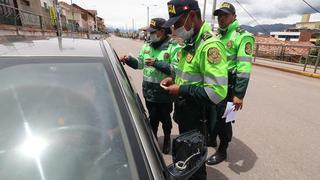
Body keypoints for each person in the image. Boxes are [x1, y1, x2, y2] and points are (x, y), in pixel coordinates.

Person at [161, 0, 228, 179]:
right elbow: (188, 74)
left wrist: (181, 90)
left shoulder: (209, 46)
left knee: (196, 165)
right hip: (186, 115)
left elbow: (217, 92)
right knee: (188, 159)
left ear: (191, 16)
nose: (175, 28)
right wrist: (173, 79)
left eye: (177, 23)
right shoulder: (191, 41)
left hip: (199, 119)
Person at [119, 18, 181, 154]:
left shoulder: (173, 47)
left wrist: (156, 63)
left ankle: (166, 140)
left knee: (165, 119)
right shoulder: (147, 45)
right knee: (152, 118)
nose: (150, 34)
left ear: (162, 31)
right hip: (149, 92)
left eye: (153, 32)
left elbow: (176, 70)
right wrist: (129, 60)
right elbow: (140, 64)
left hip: (165, 93)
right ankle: (152, 141)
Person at [206, 2, 255, 165]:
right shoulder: (218, 36)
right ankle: (212, 140)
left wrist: (239, 95)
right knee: (212, 114)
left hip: (231, 88)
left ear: (234, 17)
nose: (221, 18)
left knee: (225, 120)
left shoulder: (243, 36)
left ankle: (223, 150)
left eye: (225, 15)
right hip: (216, 84)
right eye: (219, 15)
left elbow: (244, 67)